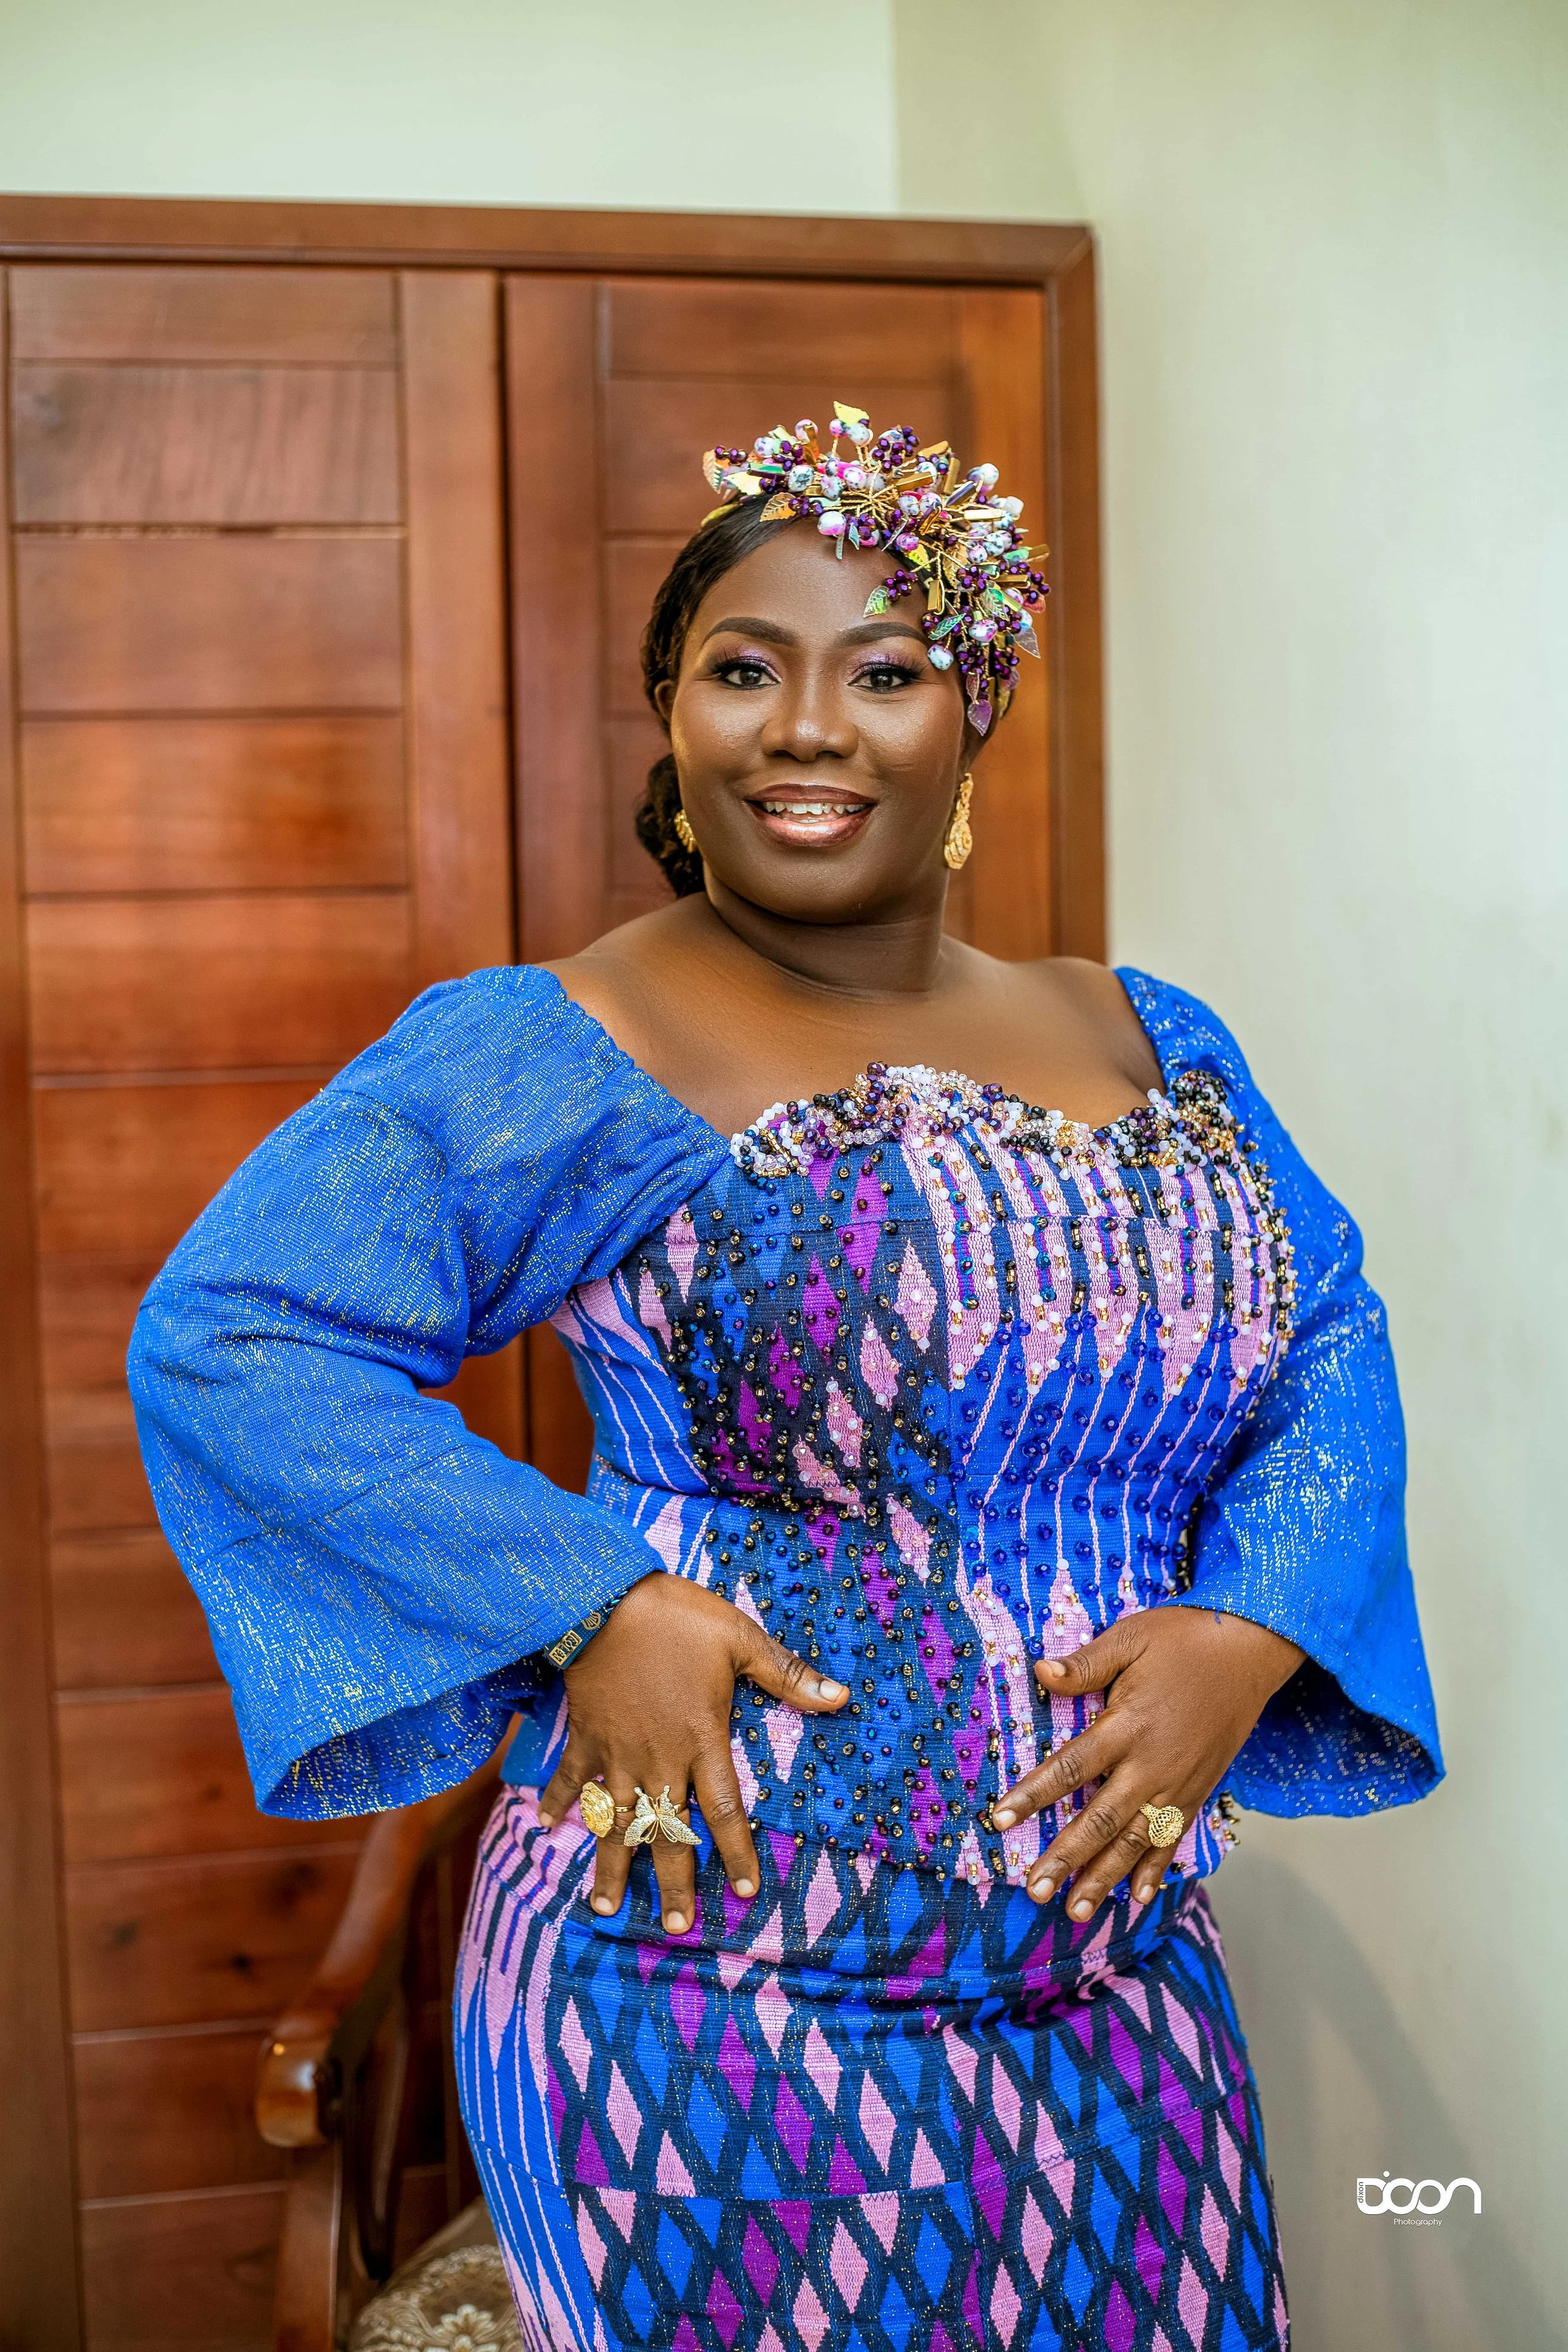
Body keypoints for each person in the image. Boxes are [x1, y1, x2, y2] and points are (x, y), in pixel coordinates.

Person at [130, 405, 1441, 2352]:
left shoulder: (1150, 1035)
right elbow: (239, 1332)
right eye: (743, 670)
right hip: (706, 1981)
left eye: (883, 673)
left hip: (1123, 1970)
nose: (806, 728)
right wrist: (594, 1600)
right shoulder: (567, 1040)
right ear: (671, 712)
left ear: (975, 711)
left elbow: (1321, 1334)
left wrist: (1247, 1628)